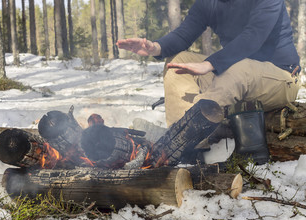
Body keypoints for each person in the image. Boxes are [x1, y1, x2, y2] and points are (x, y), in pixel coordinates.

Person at [117, 0, 301, 164]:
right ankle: (187, 149)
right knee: (177, 61)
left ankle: (172, 144)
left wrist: (210, 63)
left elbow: (252, 38)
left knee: (239, 67)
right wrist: (155, 48)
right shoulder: (208, 3)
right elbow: (183, 34)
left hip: (281, 77)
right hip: (237, 76)